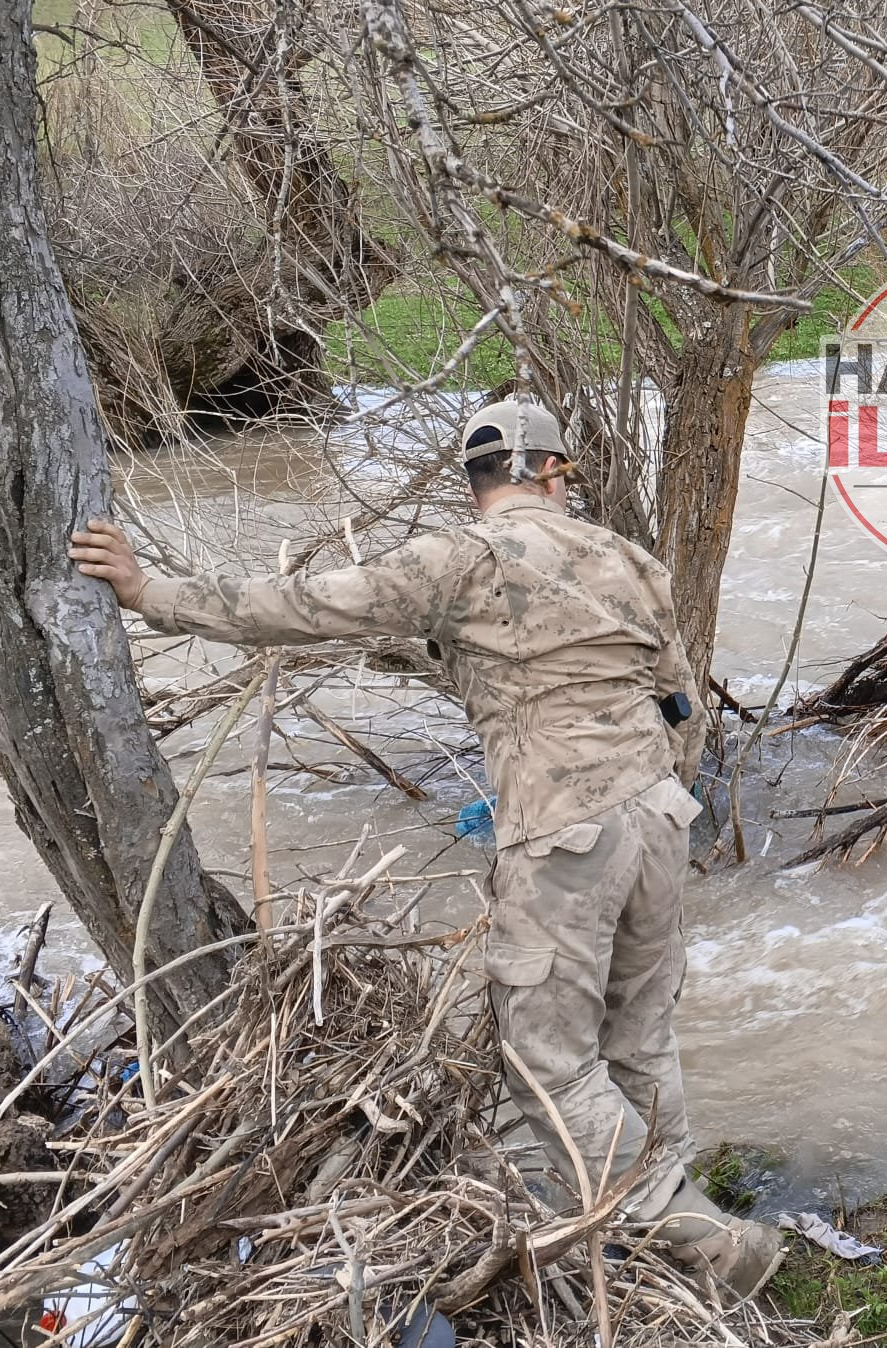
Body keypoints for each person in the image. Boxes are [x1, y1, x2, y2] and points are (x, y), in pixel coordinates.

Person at [69, 398, 784, 1300]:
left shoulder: (460, 560)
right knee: (638, 1035)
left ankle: (704, 1243)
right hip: (660, 815)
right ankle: (656, 1227)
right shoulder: (630, 560)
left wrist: (148, 595)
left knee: (545, 1058)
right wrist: (656, 793)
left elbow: (301, 607)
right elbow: (680, 702)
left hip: (563, 829)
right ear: (555, 472)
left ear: (478, 479)